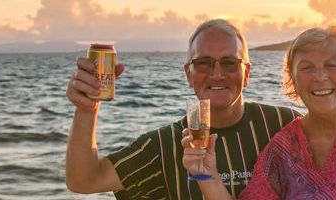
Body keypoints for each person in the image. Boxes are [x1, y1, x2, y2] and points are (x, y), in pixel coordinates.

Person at [65, 19, 302, 199]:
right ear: (189, 74)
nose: (217, 74)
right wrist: (86, 109)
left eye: (230, 63)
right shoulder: (164, 145)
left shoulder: (284, 125)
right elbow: (84, 181)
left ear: (246, 73)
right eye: (203, 63)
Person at [182, 26, 336, 199]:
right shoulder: (283, 147)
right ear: (293, 81)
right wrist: (206, 173)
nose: (320, 76)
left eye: (332, 65)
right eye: (306, 68)